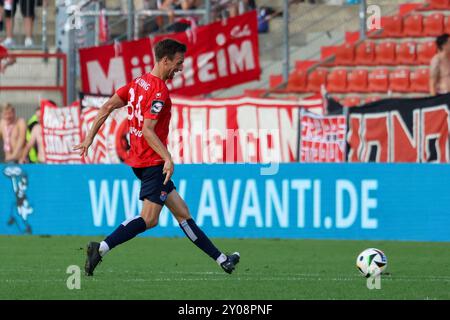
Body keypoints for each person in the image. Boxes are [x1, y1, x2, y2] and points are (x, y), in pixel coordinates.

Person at [73, 38, 240, 277]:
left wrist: (90, 137)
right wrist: (168, 158)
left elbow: (107, 107)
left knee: (182, 212)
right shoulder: (159, 90)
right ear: (165, 60)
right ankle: (100, 248)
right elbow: (148, 130)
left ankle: (223, 260)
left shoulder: (137, 83)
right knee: (149, 219)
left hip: (141, 159)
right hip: (153, 162)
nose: (180, 68)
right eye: (178, 62)